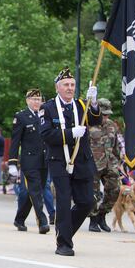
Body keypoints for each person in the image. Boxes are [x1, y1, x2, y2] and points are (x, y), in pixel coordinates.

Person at [39, 67, 100, 256]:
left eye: (72, 85)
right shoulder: (47, 108)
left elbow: (96, 121)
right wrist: (70, 133)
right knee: (64, 201)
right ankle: (64, 244)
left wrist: (95, 103)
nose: (70, 88)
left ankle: (64, 232)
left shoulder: (82, 105)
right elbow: (46, 134)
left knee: (87, 201)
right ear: (57, 87)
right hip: (59, 161)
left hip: (81, 160)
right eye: (66, 85)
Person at [8, 88, 50, 233]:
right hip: (29, 161)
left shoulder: (45, 115)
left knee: (33, 192)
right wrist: (12, 163)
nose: (36, 102)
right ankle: (42, 221)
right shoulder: (21, 117)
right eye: (33, 99)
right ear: (27, 101)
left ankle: (19, 219)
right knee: (36, 191)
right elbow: (15, 142)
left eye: (39, 99)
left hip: (44, 160)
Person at [87, 98, 121, 232]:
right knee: (93, 193)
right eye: (104, 114)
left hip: (110, 163)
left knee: (115, 190)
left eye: (108, 114)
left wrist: (118, 161)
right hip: (93, 164)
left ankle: (102, 214)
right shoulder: (88, 124)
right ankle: (93, 220)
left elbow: (116, 145)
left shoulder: (112, 125)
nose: (106, 117)